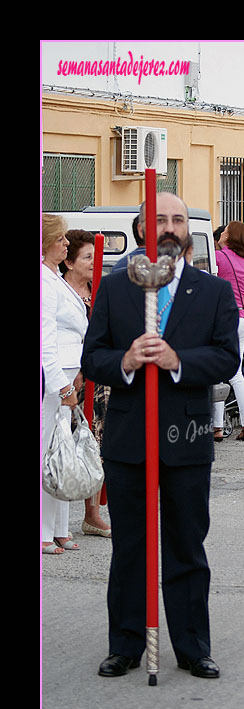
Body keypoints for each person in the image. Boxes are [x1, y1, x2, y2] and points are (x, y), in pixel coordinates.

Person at [81, 192, 240, 679]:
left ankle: (193, 647)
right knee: (130, 545)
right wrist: (125, 362)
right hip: (130, 440)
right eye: (160, 219)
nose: (169, 226)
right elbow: (93, 358)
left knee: (187, 546)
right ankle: (126, 643)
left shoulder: (211, 291)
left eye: (178, 219)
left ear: (187, 232)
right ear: (142, 229)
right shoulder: (114, 289)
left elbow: (227, 357)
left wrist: (179, 362)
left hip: (187, 439)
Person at [42, 215, 89, 554]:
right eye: (60, 239)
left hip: (69, 375)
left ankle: (59, 527)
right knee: (48, 453)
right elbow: (45, 341)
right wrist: (62, 385)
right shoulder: (44, 283)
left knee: (63, 452)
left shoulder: (55, 277)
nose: (66, 244)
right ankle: (44, 531)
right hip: (53, 381)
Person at [62, 229, 111, 538]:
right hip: (66, 377)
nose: (95, 262)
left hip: (98, 378)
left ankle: (92, 513)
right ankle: (53, 519)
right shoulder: (58, 291)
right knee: (61, 443)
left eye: (97, 256)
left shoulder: (101, 292)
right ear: (69, 261)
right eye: (88, 257)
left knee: (96, 442)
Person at [212, 221, 244, 442]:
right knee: (236, 373)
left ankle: (217, 428)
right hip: (241, 318)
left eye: (226, 231)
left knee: (217, 373)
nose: (222, 233)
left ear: (230, 237)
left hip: (222, 318)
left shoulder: (218, 258)